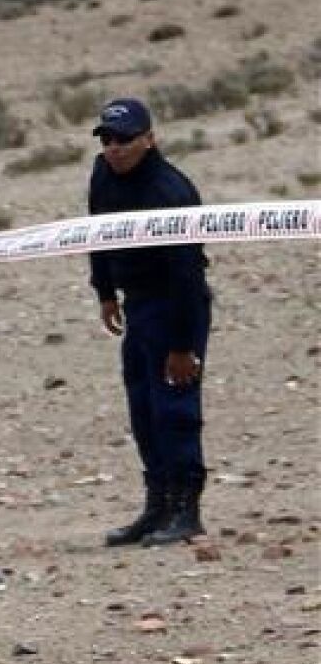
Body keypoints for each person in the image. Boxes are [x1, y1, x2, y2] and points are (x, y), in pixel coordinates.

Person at [87, 97, 212, 547]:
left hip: (175, 306)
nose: (114, 148)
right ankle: (157, 506)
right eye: (107, 139)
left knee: (174, 409)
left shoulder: (170, 191)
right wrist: (105, 291)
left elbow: (186, 275)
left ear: (149, 139)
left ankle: (186, 510)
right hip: (137, 304)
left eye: (124, 139)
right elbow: (97, 234)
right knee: (142, 408)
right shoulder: (103, 175)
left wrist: (182, 346)